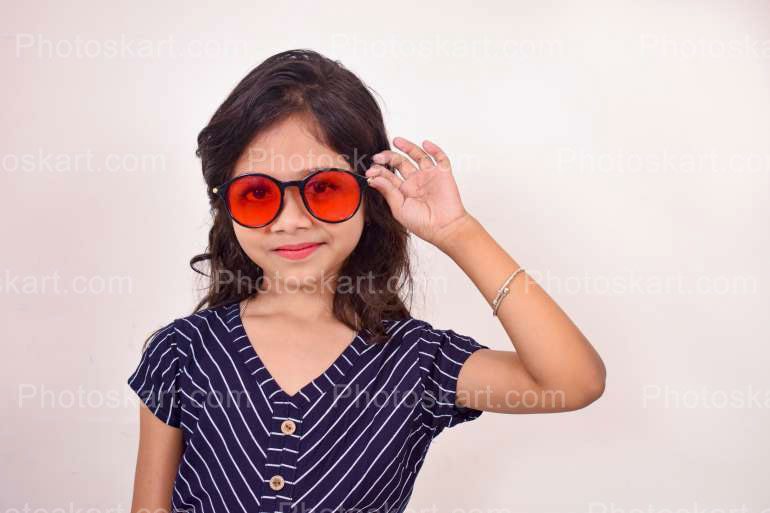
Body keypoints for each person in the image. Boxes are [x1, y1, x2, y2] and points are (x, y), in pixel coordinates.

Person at [127, 48, 606, 513]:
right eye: (256, 194)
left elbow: (571, 381)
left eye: (324, 190)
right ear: (225, 206)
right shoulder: (181, 352)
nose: (291, 220)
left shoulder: (416, 364)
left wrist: (459, 233)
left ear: (369, 193)